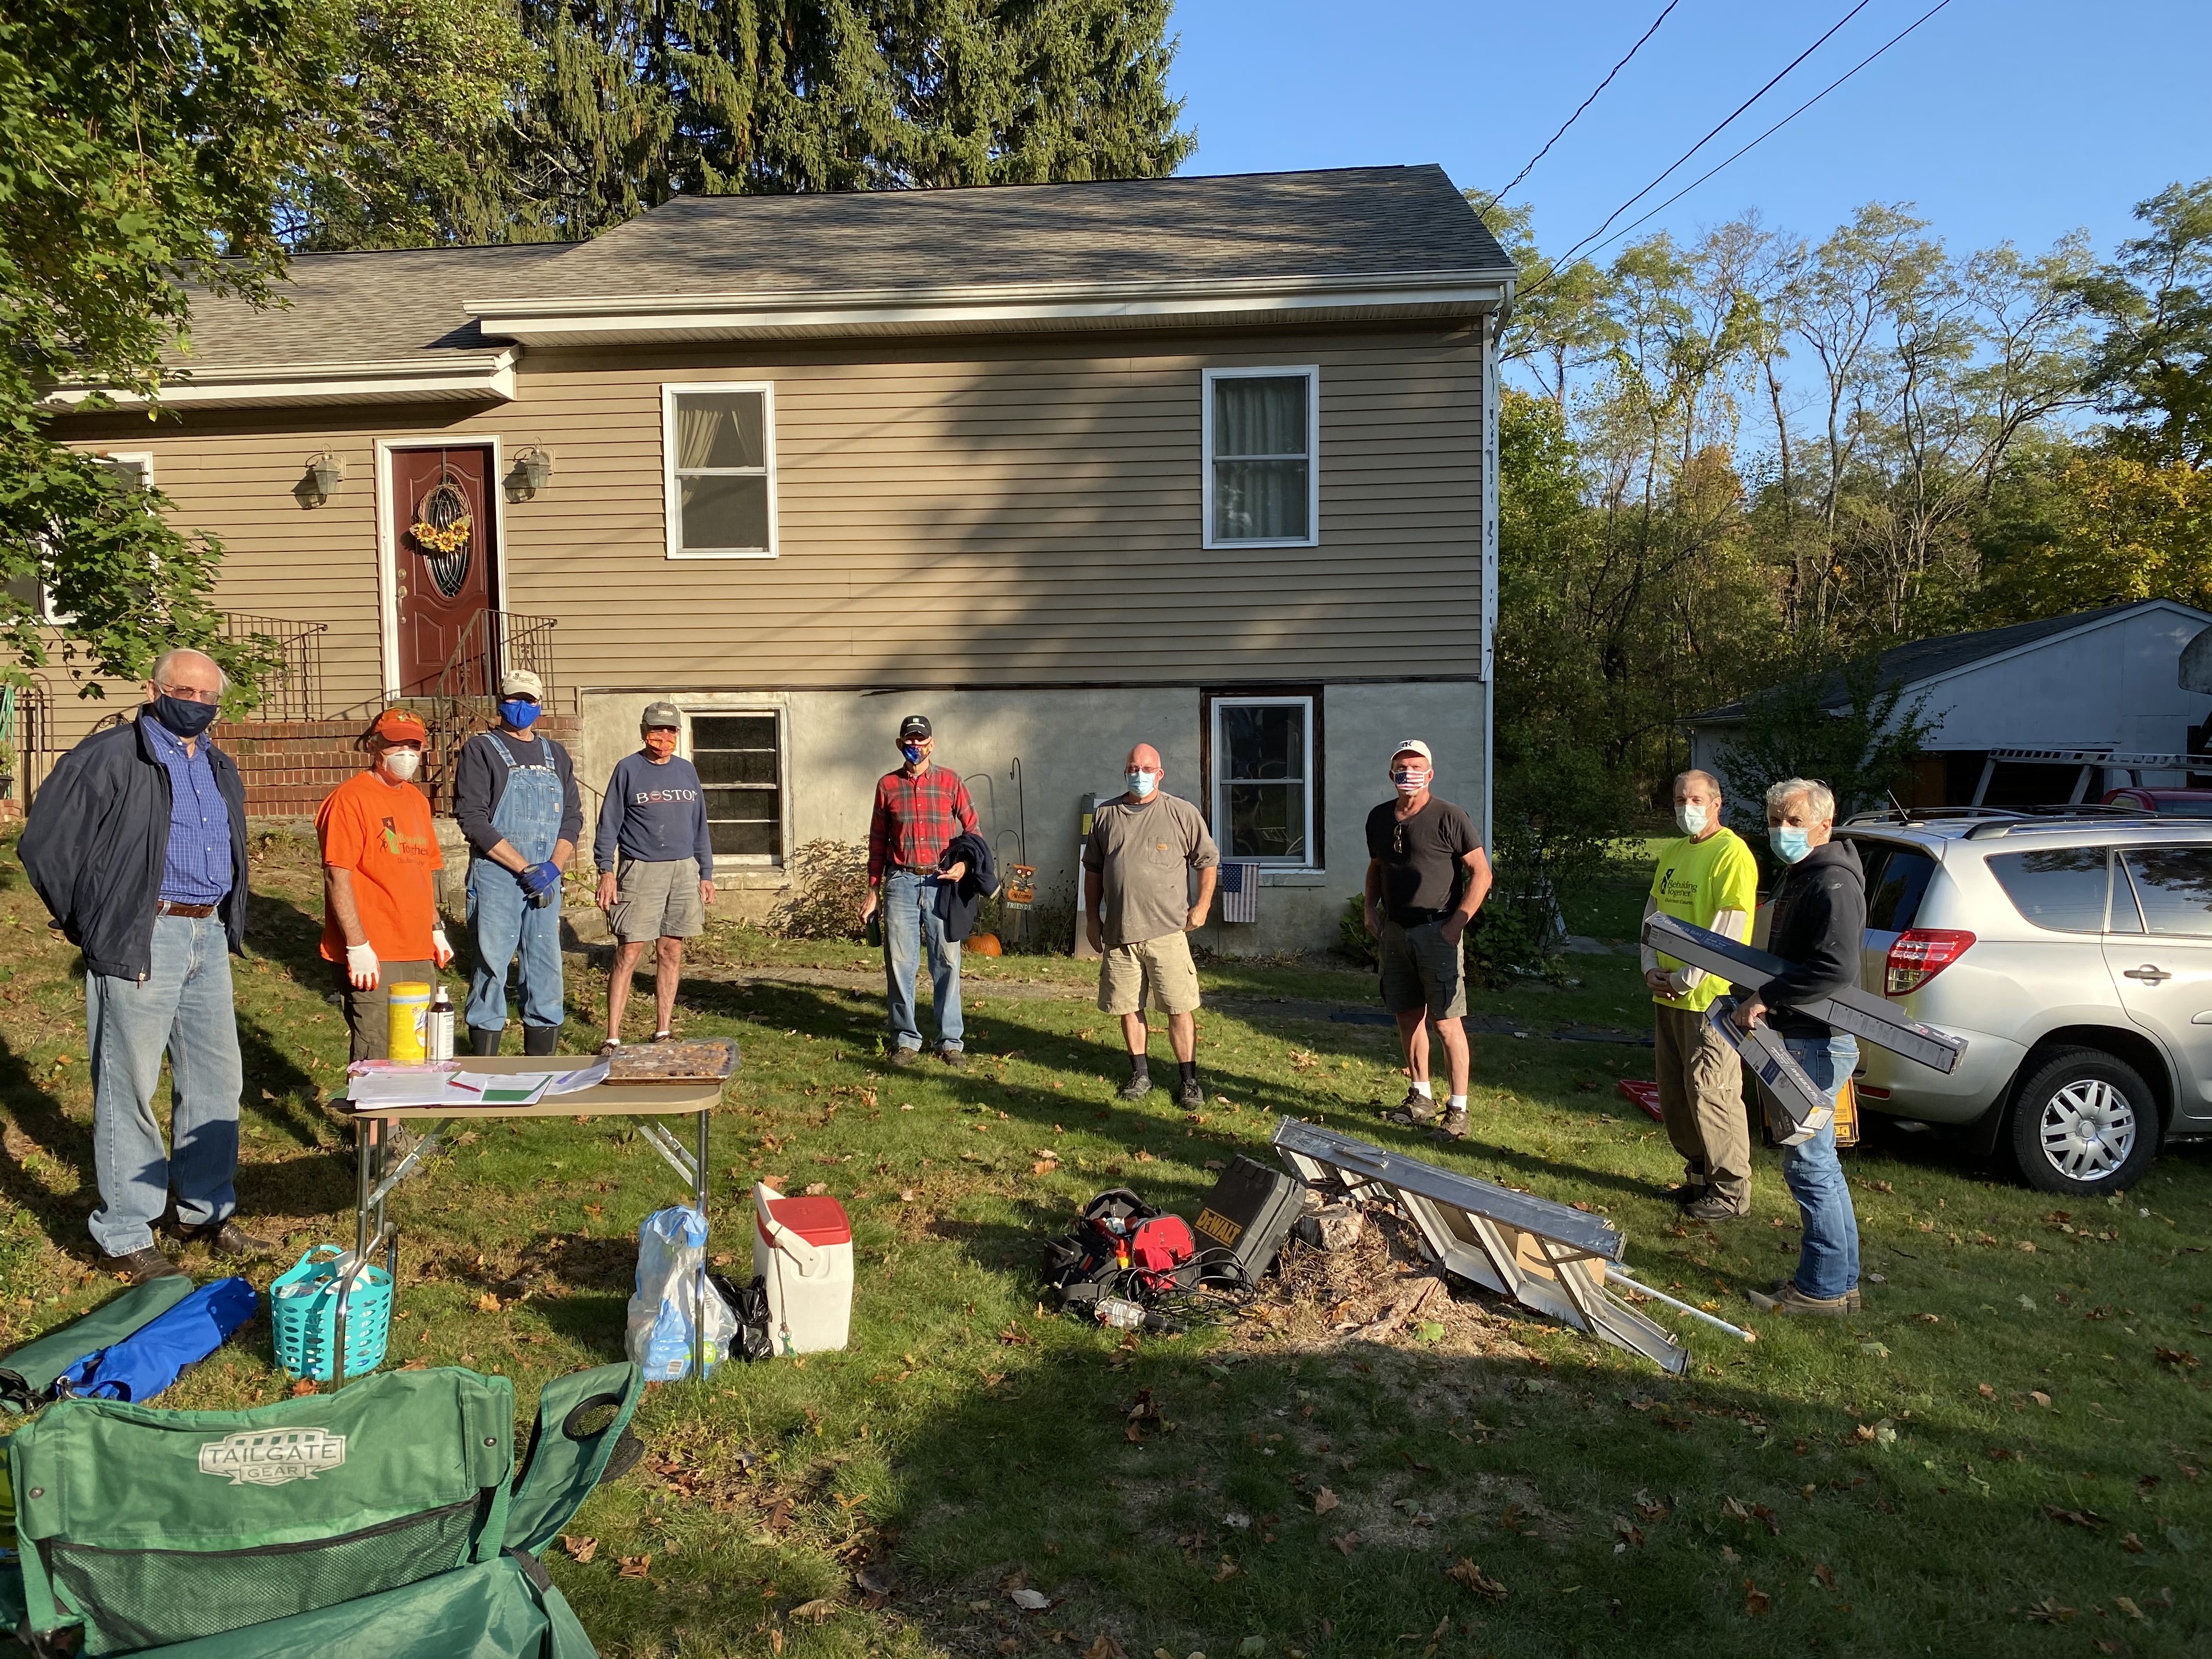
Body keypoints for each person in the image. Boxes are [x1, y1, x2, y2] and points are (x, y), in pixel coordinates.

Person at [19, 647, 269, 1280]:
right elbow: (45, 845)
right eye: (187, 691)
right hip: (143, 934)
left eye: (210, 697)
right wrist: (94, 921)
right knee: (129, 1082)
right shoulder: (107, 757)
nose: (198, 704)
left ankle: (202, 1210)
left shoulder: (218, 763)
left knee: (218, 1082)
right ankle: (127, 1228)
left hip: (206, 935)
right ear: (152, 690)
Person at [1730, 777, 1865, 1317]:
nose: (1781, 831)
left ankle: (1821, 1291)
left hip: (1815, 1043)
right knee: (1821, 1166)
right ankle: (1841, 1283)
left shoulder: (1832, 882)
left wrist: (1767, 996)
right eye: (1776, 820)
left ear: (1824, 825)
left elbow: (1835, 969)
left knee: (1810, 1168)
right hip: (1808, 1039)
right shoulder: (1809, 875)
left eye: (1793, 821)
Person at [1641, 769, 1760, 1221]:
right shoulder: (1672, 852)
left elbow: (1726, 931)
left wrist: (1686, 978)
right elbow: (1654, 915)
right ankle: (1698, 1175)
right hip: (1666, 995)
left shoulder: (1731, 854)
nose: (1685, 807)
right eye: (1678, 799)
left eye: (1694, 799)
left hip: (1708, 999)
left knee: (1713, 1091)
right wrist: (1651, 968)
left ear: (1716, 803)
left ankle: (1731, 1191)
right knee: (1676, 1093)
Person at [1363, 740, 1492, 1139]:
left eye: (1417, 767)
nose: (1409, 773)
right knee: (1406, 1014)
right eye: (1402, 767)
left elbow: (1481, 873)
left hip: (1438, 931)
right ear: (1391, 775)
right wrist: (1371, 908)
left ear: (1430, 774)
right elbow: (1377, 866)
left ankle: (1458, 1110)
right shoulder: (1380, 818)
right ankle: (1420, 1095)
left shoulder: (1450, 817)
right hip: (1396, 931)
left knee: (1447, 1021)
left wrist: (1457, 924)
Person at [453, 669, 582, 1056]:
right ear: (499, 703)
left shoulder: (556, 753)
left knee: (545, 964)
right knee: (491, 964)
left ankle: (539, 1061)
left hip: (547, 876)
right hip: (498, 876)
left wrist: (554, 867)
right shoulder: (482, 750)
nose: (521, 707)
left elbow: (572, 816)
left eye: (529, 700)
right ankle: (485, 1060)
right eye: (513, 699)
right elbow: (473, 819)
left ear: (540, 705)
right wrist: (523, 867)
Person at [1084, 744, 1220, 1107]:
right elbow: (1094, 870)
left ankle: (1189, 1080)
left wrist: (1202, 906)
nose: (1139, 775)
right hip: (1119, 933)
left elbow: (1207, 860)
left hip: (1167, 932)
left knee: (1179, 1006)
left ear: (1160, 773)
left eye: (1146, 769)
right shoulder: (1106, 815)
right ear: (1125, 772)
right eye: (1132, 768)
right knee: (1128, 1006)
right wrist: (1092, 919)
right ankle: (1140, 1074)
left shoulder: (1181, 813)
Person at [317, 708, 454, 1060]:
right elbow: (337, 875)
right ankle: (375, 1118)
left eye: (414, 745)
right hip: (374, 951)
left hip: (417, 947)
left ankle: (398, 1118)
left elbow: (422, 874)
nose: (406, 754)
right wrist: (357, 944)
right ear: (375, 747)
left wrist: (435, 928)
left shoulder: (417, 802)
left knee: (417, 1045)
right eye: (396, 745)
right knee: (376, 1050)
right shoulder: (351, 799)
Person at [594, 702, 715, 1051]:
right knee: (630, 950)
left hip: (683, 869)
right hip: (640, 869)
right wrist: (606, 871)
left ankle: (663, 1030)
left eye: (670, 730)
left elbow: (700, 826)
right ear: (644, 731)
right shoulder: (628, 769)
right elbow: (609, 825)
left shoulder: (686, 771)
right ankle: (613, 1036)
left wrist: (705, 873)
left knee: (671, 950)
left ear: (678, 733)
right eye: (656, 730)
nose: (663, 737)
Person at [859, 714, 977, 1068]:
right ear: (900, 745)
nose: (915, 747)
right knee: (900, 964)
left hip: (941, 883)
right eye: (909, 741)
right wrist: (872, 890)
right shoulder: (887, 786)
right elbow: (878, 842)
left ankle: (951, 1040)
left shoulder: (951, 782)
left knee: (947, 961)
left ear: (932, 744)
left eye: (920, 741)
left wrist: (965, 866)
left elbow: (974, 832)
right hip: (901, 884)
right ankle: (906, 1039)